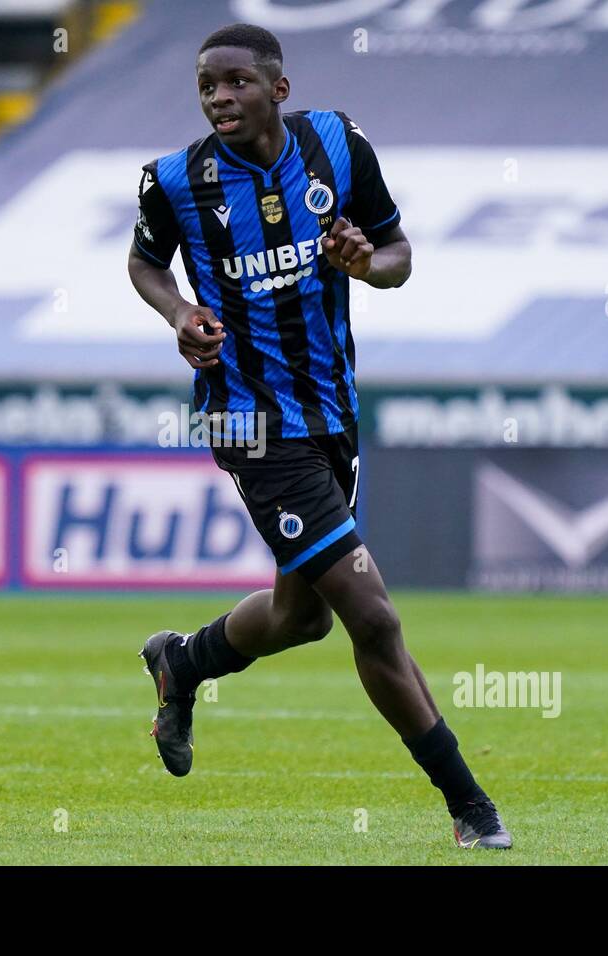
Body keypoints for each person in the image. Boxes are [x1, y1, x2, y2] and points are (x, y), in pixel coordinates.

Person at [126, 23, 511, 849]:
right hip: (250, 420)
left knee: (304, 618)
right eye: (206, 87)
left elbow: (400, 254)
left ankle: (182, 662)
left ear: (277, 88)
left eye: (235, 83)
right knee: (372, 618)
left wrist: (364, 261)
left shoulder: (338, 144)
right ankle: (470, 807)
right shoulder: (175, 180)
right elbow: (146, 263)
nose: (219, 99)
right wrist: (181, 314)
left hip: (332, 411)